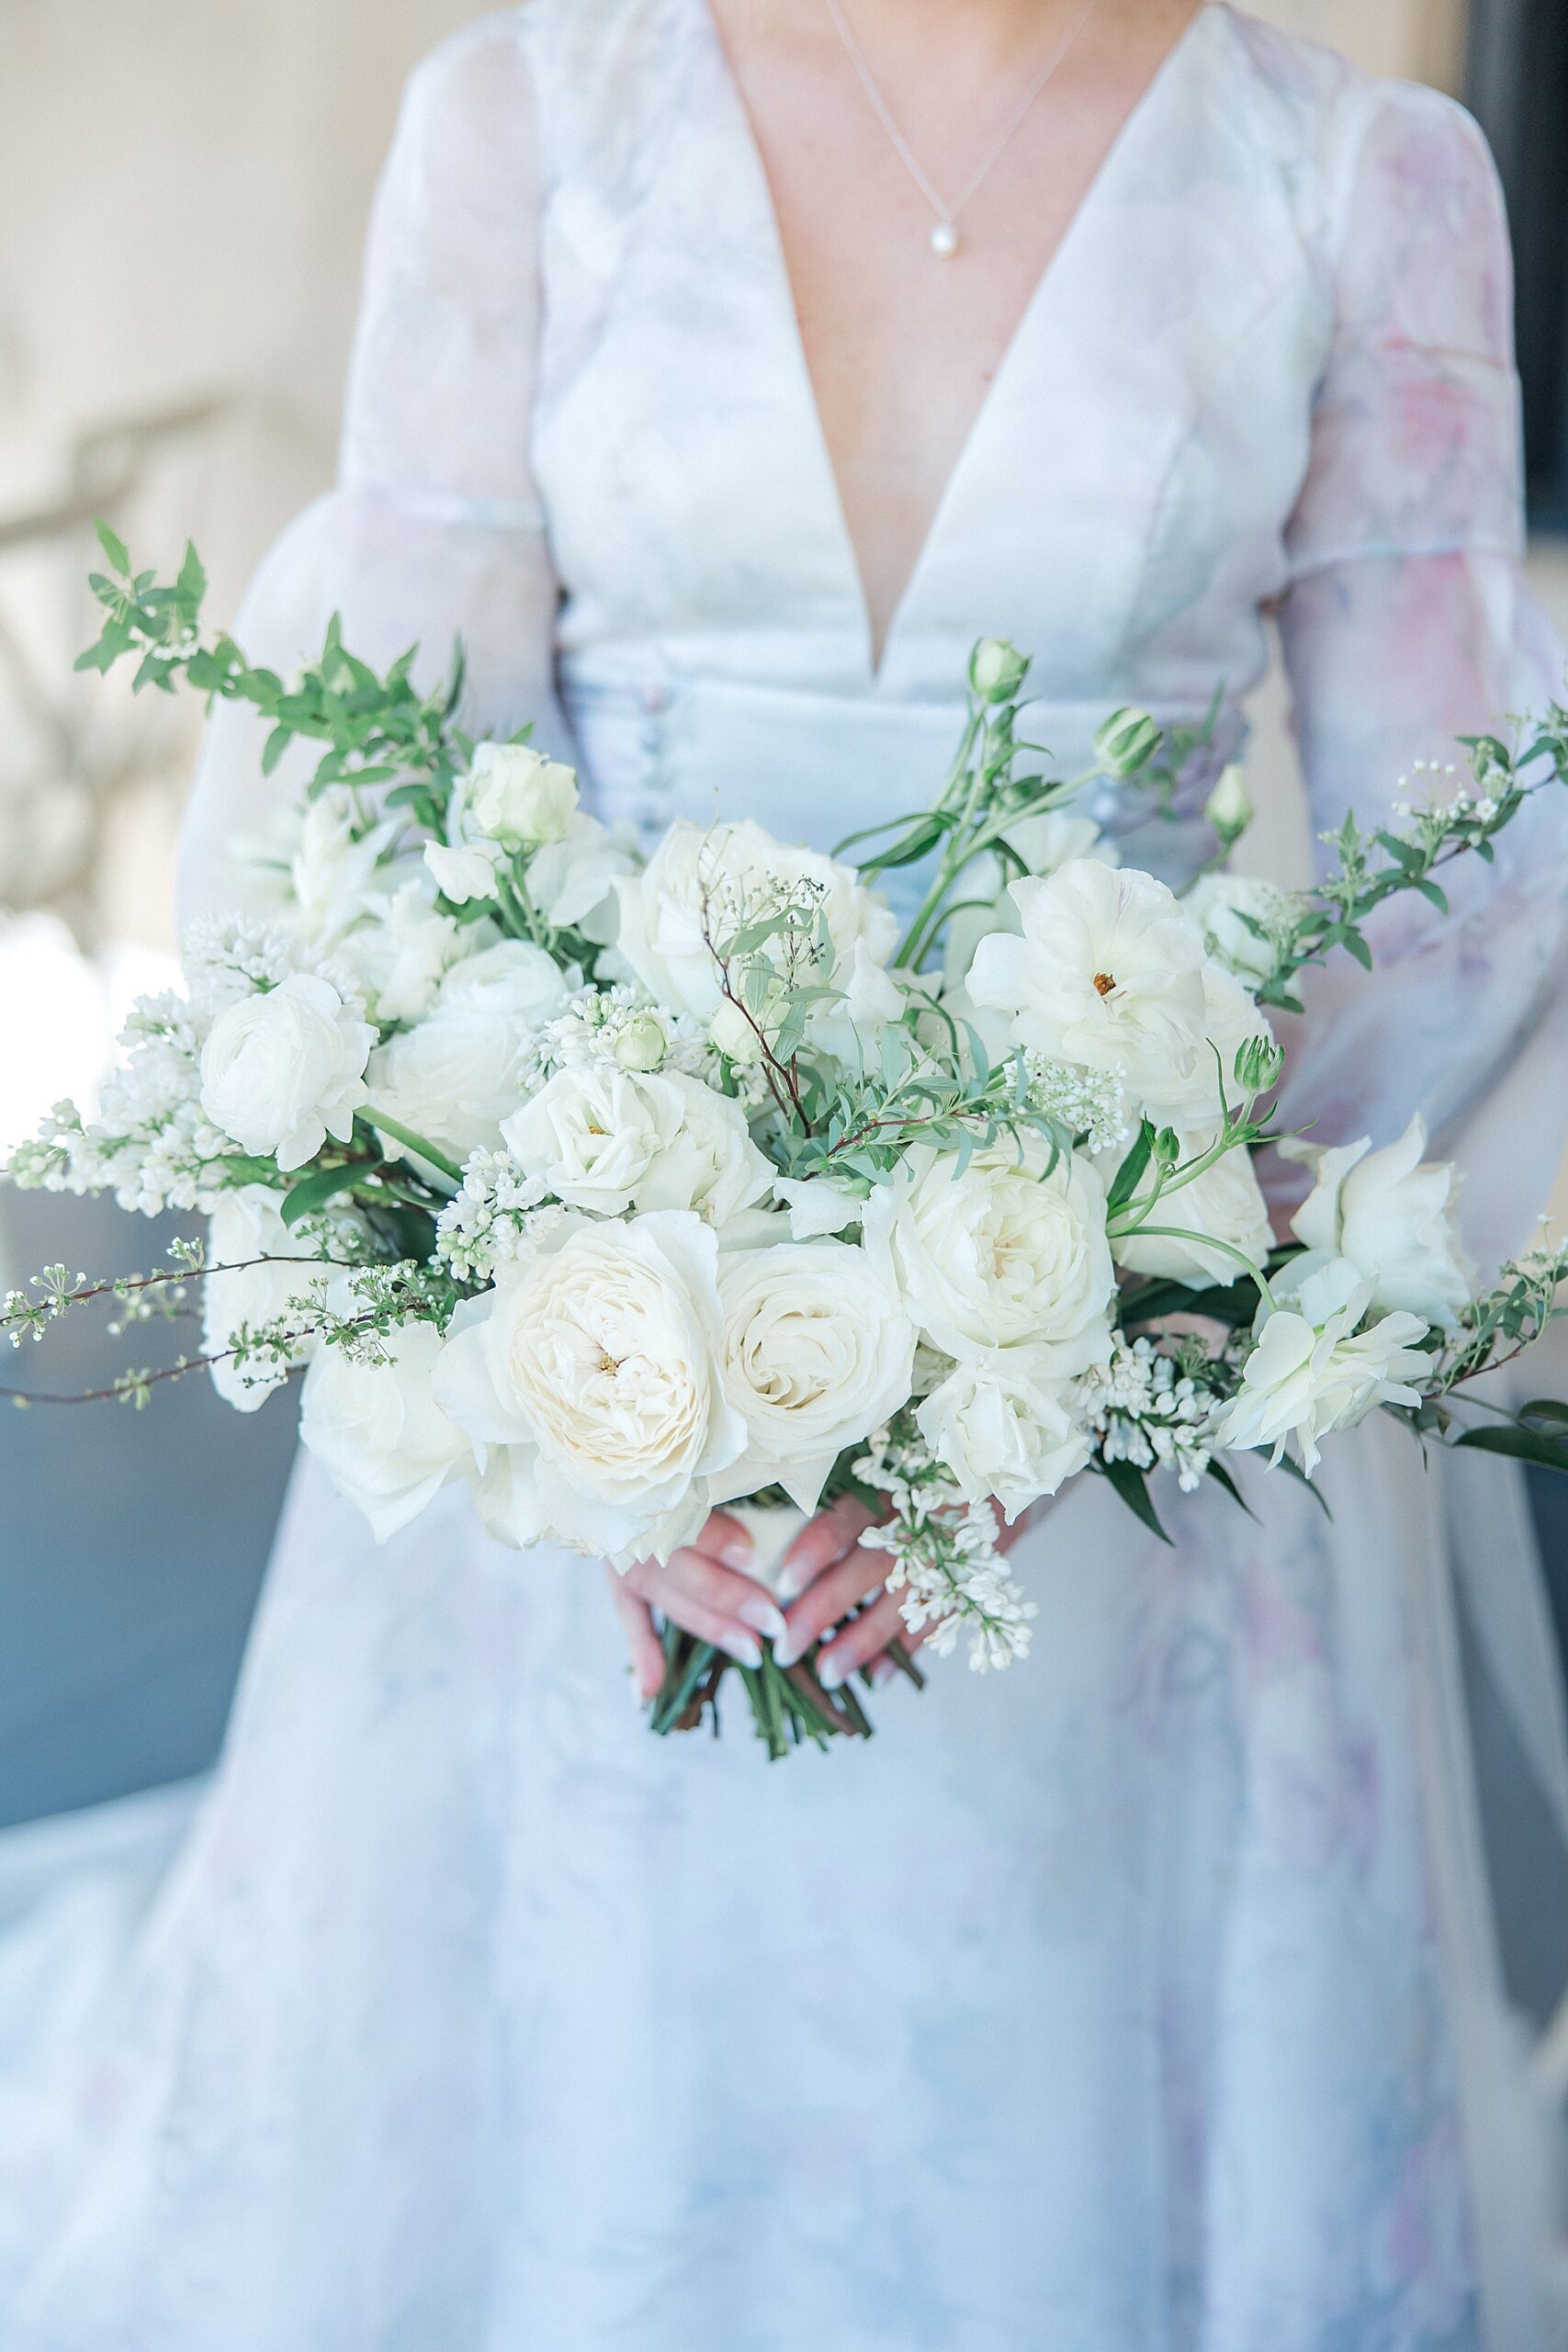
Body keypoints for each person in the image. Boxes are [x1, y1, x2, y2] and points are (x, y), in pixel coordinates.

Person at [4, 3, 1567, 2344]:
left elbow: (1453, 887)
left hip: (1129, 1438)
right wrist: (571, 1379)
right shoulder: (525, 121)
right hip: (596, 1360)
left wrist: (1074, 1364)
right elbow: (385, 823)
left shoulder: (1358, 179)